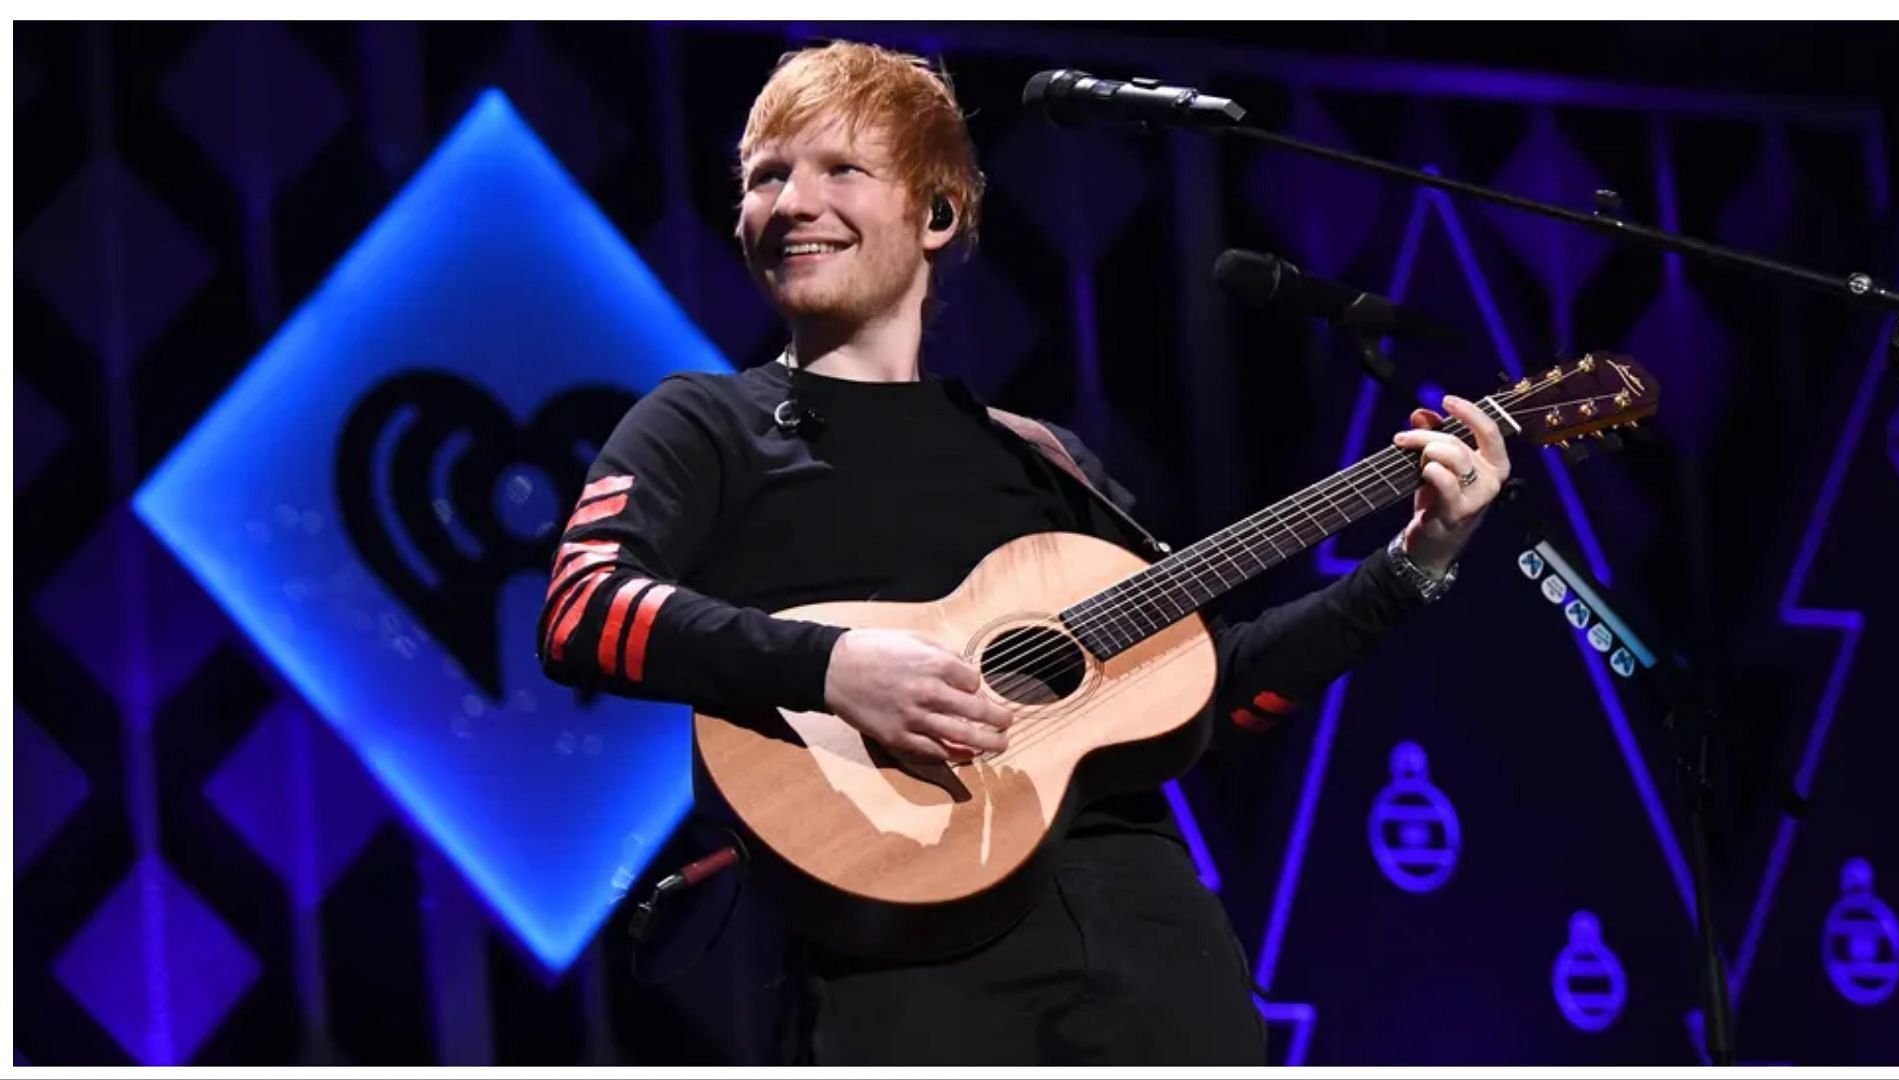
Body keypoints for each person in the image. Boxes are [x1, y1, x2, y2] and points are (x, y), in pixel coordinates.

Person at [537, 40, 1508, 1065]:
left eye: (839, 170)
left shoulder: (1048, 460)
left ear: (940, 213)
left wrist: (1415, 565)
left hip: (1154, 946)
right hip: (904, 962)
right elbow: (580, 609)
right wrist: (834, 669)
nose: (789, 202)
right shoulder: (705, 422)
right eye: (765, 176)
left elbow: (1215, 691)